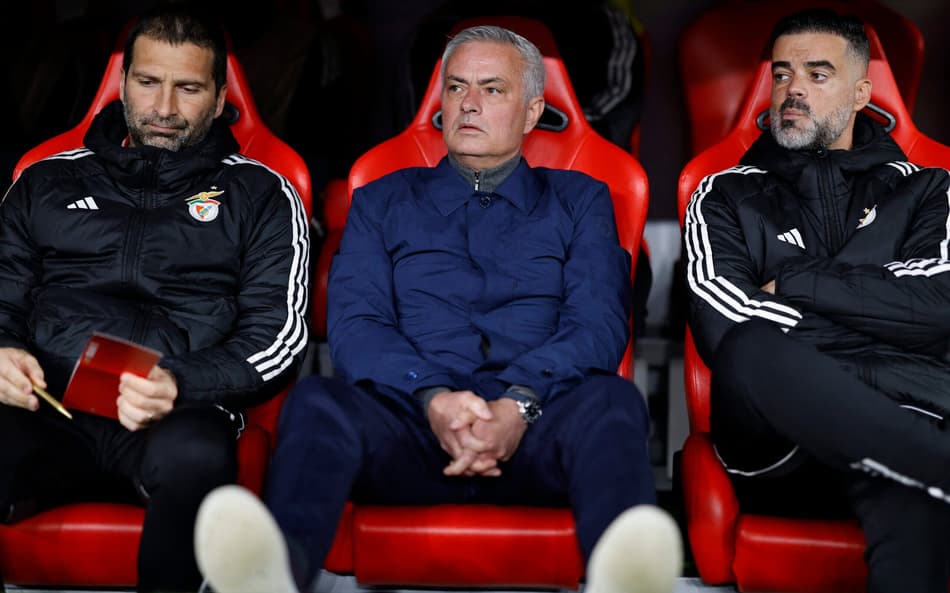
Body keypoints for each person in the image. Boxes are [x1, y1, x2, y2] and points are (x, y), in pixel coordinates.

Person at [194, 24, 678, 593]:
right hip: (411, 429)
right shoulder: (381, 200)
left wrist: (517, 405)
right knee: (319, 401)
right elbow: (357, 325)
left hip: (539, 429)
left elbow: (597, 322)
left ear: (532, 112)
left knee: (613, 402)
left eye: (492, 90)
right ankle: (270, 580)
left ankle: (625, 584)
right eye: (455, 88)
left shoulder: (581, 200)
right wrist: (435, 399)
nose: (468, 104)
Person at [0, 4, 309, 592]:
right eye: (148, 83)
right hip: (44, 403)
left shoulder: (262, 193)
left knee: (197, 458)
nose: (164, 108)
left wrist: (179, 383)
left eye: (188, 88)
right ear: (122, 85)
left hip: (176, 410)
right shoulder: (46, 179)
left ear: (219, 99)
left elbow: (278, 338)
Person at [684, 9, 950, 593]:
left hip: (911, 427)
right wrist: (879, 321)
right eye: (782, 74)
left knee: (912, 497)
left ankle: (927, 471)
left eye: (818, 72)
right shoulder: (724, 193)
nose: (793, 88)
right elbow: (722, 324)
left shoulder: (931, 189)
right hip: (782, 449)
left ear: (861, 94)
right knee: (750, 348)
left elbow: (940, 306)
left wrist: (801, 284)